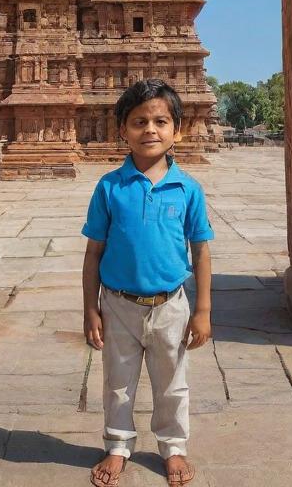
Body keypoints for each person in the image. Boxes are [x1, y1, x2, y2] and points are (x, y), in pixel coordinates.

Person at [82, 79, 214, 487]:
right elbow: (94, 252)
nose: (150, 130)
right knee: (117, 383)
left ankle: (173, 446)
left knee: (172, 383)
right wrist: (91, 308)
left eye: (161, 121)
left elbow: (201, 250)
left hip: (171, 303)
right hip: (118, 303)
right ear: (122, 129)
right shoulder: (109, 186)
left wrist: (203, 310)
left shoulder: (188, 189)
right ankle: (118, 445)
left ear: (178, 129)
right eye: (139, 121)